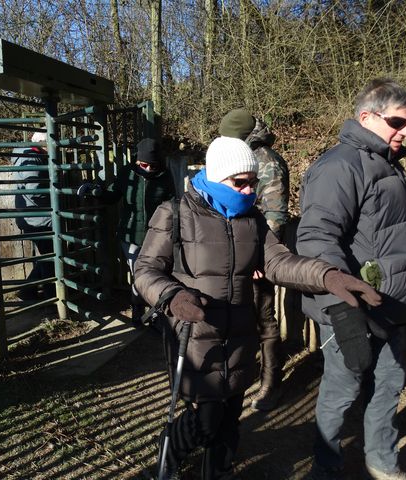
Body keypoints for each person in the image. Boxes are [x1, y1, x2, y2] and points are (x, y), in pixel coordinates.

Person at [134, 136, 382, 479]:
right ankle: (167, 459)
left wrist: (327, 276)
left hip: (239, 336)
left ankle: (217, 472)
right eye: (241, 183)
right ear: (218, 176)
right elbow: (145, 270)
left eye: (253, 182)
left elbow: (281, 263)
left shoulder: (253, 220)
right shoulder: (174, 213)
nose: (250, 191)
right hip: (194, 336)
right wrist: (173, 297)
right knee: (204, 420)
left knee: (230, 418)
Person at [296, 78, 406, 480]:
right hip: (352, 308)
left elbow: (391, 232)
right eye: (397, 122)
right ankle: (326, 467)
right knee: (341, 393)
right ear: (366, 117)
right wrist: (342, 309)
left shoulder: (389, 165)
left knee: (389, 387)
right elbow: (316, 239)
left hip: (392, 304)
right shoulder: (338, 167)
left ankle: (381, 461)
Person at [219, 109, 290, 411]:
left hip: (256, 257)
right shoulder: (239, 156)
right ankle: (239, 375)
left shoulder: (267, 162)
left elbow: (275, 216)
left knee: (264, 320)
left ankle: (271, 384)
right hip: (230, 253)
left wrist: (259, 259)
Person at [81, 138, 174, 325]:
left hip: (157, 237)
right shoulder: (127, 174)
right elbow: (112, 196)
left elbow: (172, 205)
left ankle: (154, 312)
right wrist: (96, 192)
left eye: (153, 165)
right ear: (137, 160)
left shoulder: (165, 176)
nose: (148, 169)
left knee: (157, 274)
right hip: (130, 235)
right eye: (144, 164)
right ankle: (137, 309)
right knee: (139, 275)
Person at [12, 131, 55, 301]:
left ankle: (28, 291)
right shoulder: (30, 156)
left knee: (48, 256)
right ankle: (51, 297)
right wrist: (55, 195)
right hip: (38, 218)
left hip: (33, 216)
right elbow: (35, 189)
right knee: (49, 257)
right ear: (42, 142)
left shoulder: (27, 155)